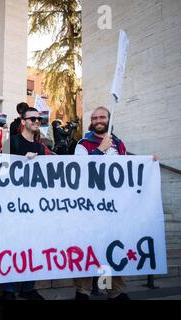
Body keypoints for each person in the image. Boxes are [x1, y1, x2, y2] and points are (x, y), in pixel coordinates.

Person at [73, 106, 130, 300]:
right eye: (95, 117)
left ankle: (113, 291)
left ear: (109, 119)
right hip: (89, 207)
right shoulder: (83, 144)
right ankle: (83, 291)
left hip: (113, 208)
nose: (98, 120)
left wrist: (149, 162)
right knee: (87, 249)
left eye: (102, 117)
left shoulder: (119, 144)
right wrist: (99, 150)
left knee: (112, 249)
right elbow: (79, 171)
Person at [0, 108, 47, 300]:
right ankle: (9, 290)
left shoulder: (40, 146)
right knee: (12, 244)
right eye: (32, 118)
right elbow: (1, 170)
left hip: (34, 204)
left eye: (39, 118)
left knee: (32, 244)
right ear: (23, 121)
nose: (37, 121)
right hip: (13, 203)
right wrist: (20, 162)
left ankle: (28, 287)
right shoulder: (13, 142)